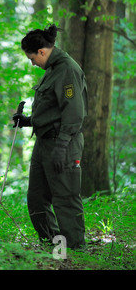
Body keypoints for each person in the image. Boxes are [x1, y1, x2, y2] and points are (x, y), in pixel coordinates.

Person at [13, 24, 88, 250]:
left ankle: (75, 249)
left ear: (42, 52)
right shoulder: (52, 71)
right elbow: (51, 109)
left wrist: (62, 145)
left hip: (63, 143)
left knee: (65, 198)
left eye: (32, 58)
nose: (32, 62)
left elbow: (74, 113)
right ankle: (53, 244)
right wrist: (27, 120)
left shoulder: (67, 70)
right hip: (44, 142)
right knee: (36, 198)